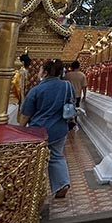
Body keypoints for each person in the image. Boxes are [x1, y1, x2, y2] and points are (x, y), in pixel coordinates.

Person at [20, 59, 72, 199]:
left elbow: (26, 114)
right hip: (60, 128)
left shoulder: (37, 90)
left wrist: (20, 130)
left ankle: (33, 190)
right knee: (56, 156)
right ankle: (62, 184)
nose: (38, 72)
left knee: (36, 160)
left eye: (40, 70)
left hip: (39, 130)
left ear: (46, 72)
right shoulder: (67, 86)